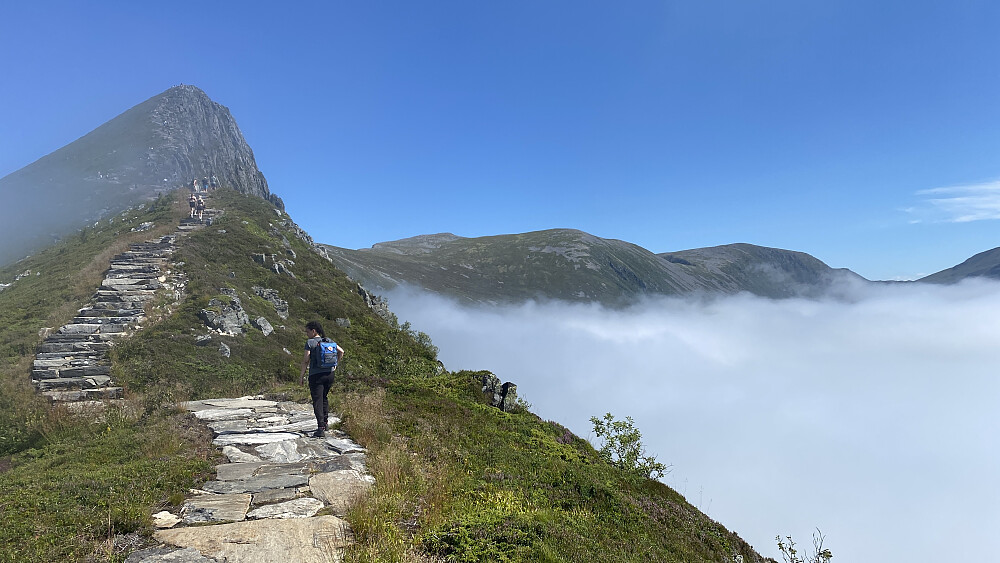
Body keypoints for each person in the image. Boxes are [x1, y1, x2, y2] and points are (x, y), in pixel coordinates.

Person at [300, 321, 344, 437]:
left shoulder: (310, 343)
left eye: (307, 331)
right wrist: (335, 365)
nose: (307, 334)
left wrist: (301, 376)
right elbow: (341, 351)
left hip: (316, 375)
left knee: (317, 400)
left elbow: (305, 361)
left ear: (313, 331)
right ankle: (326, 423)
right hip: (330, 374)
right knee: (324, 398)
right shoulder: (328, 341)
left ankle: (320, 428)